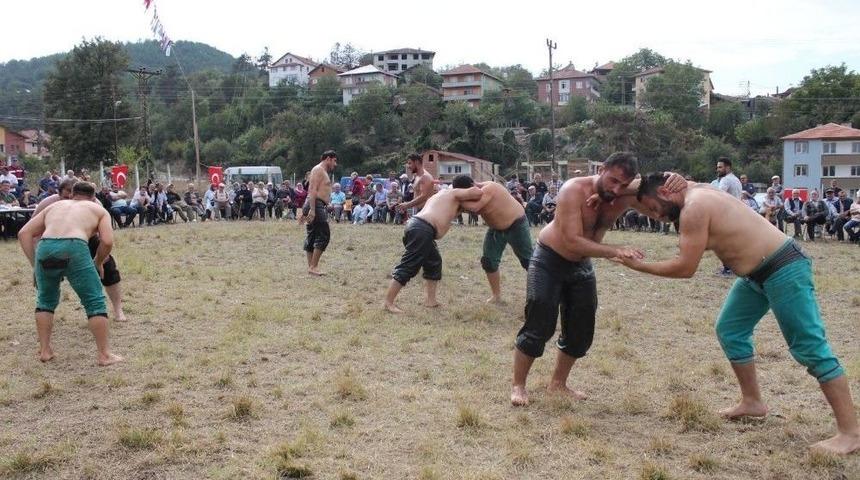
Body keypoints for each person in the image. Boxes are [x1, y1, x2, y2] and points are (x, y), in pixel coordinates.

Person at [616, 173, 860, 455]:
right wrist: (604, 190)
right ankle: (752, 403)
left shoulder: (694, 207)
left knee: (810, 349)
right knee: (730, 330)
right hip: (756, 275)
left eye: (655, 209)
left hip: (783, 268)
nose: (656, 216)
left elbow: (685, 268)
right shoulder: (695, 190)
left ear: (665, 192)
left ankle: (851, 433)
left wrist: (637, 267)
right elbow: (644, 182)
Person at [510, 153, 683, 407]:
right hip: (550, 258)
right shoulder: (573, 189)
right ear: (601, 169)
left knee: (581, 329)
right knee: (540, 323)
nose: (616, 189)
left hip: (581, 264)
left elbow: (659, 186)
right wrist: (615, 250)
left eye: (623, 185)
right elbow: (571, 240)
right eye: (612, 181)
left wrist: (677, 179)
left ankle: (558, 384)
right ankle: (518, 385)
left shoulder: (624, 195)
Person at [18, 182, 124, 366]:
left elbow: (24, 233)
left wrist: (35, 265)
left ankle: (45, 350)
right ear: (93, 196)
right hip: (75, 246)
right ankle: (104, 355)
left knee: (45, 300)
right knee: (94, 301)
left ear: (72, 194)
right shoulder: (97, 209)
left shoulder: (54, 206)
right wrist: (97, 262)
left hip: (46, 246)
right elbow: (107, 241)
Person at [34, 179, 128, 322]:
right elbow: (32, 232)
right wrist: (36, 259)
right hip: (52, 241)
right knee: (47, 279)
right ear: (60, 194)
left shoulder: (94, 204)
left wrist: (100, 259)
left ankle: (118, 310)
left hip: (85, 238)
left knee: (109, 268)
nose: (71, 201)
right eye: (66, 197)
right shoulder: (47, 203)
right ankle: (47, 312)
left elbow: (105, 238)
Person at [383, 181, 483, 313]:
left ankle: (431, 301)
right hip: (422, 229)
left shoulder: (444, 195)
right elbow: (477, 192)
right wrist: (480, 185)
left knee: (434, 262)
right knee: (408, 266)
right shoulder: (453, 192)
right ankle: (388, 303)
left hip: (419, 227)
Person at [452, 176, 533, 304]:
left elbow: (475, 208)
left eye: (466, 193)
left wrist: (455, 197)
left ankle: (539, 296)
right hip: (496, 229)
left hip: (516, 225)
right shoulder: (475, 195)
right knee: (488, 261)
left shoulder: (490, 188)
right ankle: (496, 296)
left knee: (529, 262)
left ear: (473, 186)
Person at [299, 150, 337, 276]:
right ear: (328, 159)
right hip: (316, 205)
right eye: (334, 160)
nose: (335, 164)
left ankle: (311, 267)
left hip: (317, 204)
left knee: (313, 236)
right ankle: (313, 266)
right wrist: (313, 210)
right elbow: (312, 190)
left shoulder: (321, 171)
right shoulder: (318, 169)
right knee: (323, 235)